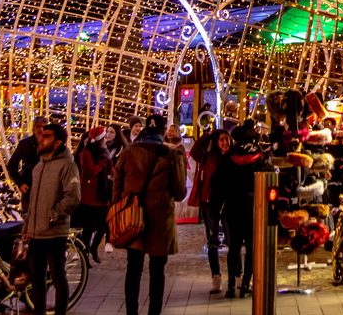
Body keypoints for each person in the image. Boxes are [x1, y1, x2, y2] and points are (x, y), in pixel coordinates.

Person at [113, 114, 185, 315]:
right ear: (163, 132)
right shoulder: (172, 156)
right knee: (157, 270)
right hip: (160, 220)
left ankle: (131, 312)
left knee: (133, 268)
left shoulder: (128, 153)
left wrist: (119, 208)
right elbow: (180, 193)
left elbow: (116, 188)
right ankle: (154, 312)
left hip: (132, 216)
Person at [23, 123, 80, 315]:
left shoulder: (67, 165)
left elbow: (73, 196)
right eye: (41, 135)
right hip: (35, 233)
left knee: (58, 277)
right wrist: (27, 226)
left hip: (54, 232)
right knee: (37, 280)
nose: (41, 139)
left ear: (57, 142)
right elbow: (33, 200)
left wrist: (53, 215)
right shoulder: (39, 167)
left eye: (46, 136)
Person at [212, 120, 270, 299]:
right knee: (252, 247)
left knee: (234, 247)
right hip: (254, 208)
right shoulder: (260, 156)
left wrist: (215, 209)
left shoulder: (229, 156)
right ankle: (246, 283)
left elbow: (218, 185)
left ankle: (231, 284)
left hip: (232, 207)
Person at [189, 129, 230, 293]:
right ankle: (216, 276)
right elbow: (194, 151)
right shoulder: (208, 156)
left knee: (231, 239)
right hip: (209, 201)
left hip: (228, 202)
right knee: (212, 240)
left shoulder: (233, 157)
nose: (225, 143)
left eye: (226, 139)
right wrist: (208, 134)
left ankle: (236, 275)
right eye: (221, 140)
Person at [77, 126, 113, 263]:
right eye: (104, 137)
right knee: (88, 228)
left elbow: (110, 170)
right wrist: (103, 163)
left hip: (102, 194)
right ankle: (84, 255)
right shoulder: (86, 153)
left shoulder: (104, 153)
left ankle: (93, 247)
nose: (106, 140)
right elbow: (92, 171)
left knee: (105, 224)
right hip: (89, 195)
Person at [9, 116, 48, 197]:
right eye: (38, 126)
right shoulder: (25, 144)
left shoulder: (51, 145)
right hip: (29, 188)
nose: (41, 129)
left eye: (43, 127)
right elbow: (12, 164)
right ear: (33, 128)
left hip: (46, 190)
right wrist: (20, 183)